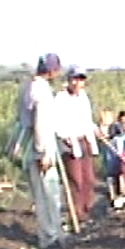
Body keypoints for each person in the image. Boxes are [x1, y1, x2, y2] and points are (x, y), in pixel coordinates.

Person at [16, 53, 67, 249]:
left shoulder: (28, 86)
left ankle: (52, 232)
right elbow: (41, 123)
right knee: (48, 193)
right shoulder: (41, 90)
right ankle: (50, 236)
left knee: (43, 193)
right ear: (52, 70)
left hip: (32, 146)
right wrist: (43, 152)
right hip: (40, 147)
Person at [54, 66, 100, 225]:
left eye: (80, 79)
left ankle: (88, 210)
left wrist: (95, 129)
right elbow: (56, 122)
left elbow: (87, 119)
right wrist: (63, 136)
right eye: (75, 79)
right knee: (76, 180)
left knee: (89, 179)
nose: (77, 83)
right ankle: (77, 215)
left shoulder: (83, 97)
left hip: (85, 140)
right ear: (68, 80)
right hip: (70, 143)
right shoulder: (60, 98)